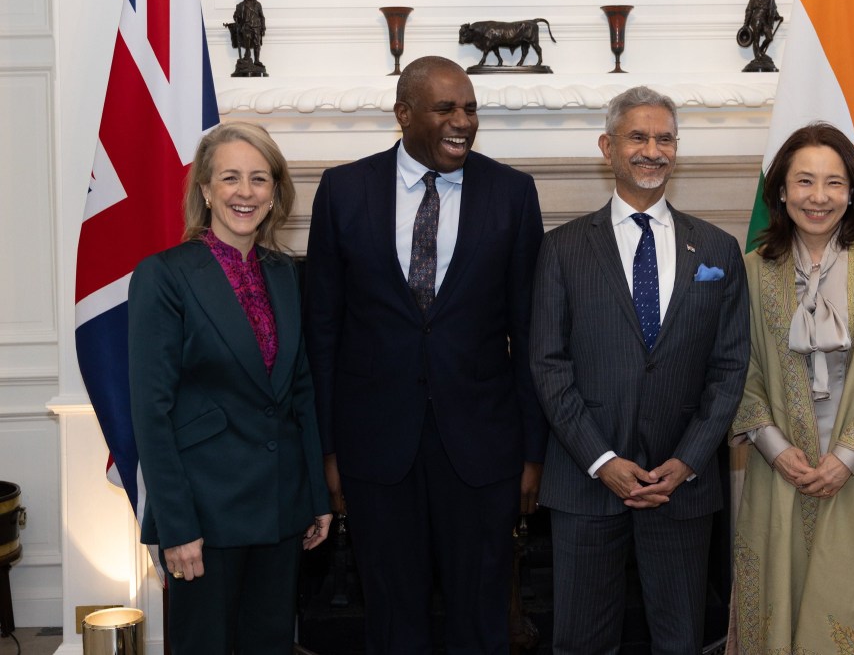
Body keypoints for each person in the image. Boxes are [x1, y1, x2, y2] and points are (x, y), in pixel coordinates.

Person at [304, 55, 548, 654]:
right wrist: (327, 450)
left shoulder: (512, 193)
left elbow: (531, 333)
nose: (462, 121)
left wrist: (532, 453)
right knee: (392, 621)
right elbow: (322, 331)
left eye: (470, 109)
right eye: (445, 108)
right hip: (376, 448)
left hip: (483, 448)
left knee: (482, 620)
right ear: (404, 113)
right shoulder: (343, 190)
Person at [530, 86, 750, 654]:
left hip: (681, 485)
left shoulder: (718, 250)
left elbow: (730, 367)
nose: (653, 150)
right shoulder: (562, 249)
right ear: (608, 147)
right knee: (581, 642)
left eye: (665, 139)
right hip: (585, 481)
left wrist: (689, 460)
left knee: (680, 641)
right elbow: (548, 364)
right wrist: (601, 461)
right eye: (638, 137)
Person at [128, 122, 332, 655]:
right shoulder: (164, 276)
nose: (246, 192)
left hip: (281, 509)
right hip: (204, 517)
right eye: (230, 178)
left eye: (259, 179)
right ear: (205, 189)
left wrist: (317, 496)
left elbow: (301, 392)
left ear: (275, 192)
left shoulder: (285, 273)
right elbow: (150, 413)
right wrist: (176, 526)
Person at [730, 122, 854, 653]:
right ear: (781, 191)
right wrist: (775, 448)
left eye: (834, 183)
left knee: (851, 604)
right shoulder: (751, 271)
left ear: (852, 192)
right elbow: (736, 369)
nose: (818, 197)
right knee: (778, 603)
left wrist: (848, 458)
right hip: (779, 473)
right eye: (804, 181)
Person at [741, 0, 782, 68]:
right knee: (756, 39)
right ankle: (758, 56)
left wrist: (778, 17)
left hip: (765, 21)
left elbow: (773, 8)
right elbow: (749, 10)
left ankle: (760, 51)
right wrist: (746, 24)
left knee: (769, 37)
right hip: (756, 19)